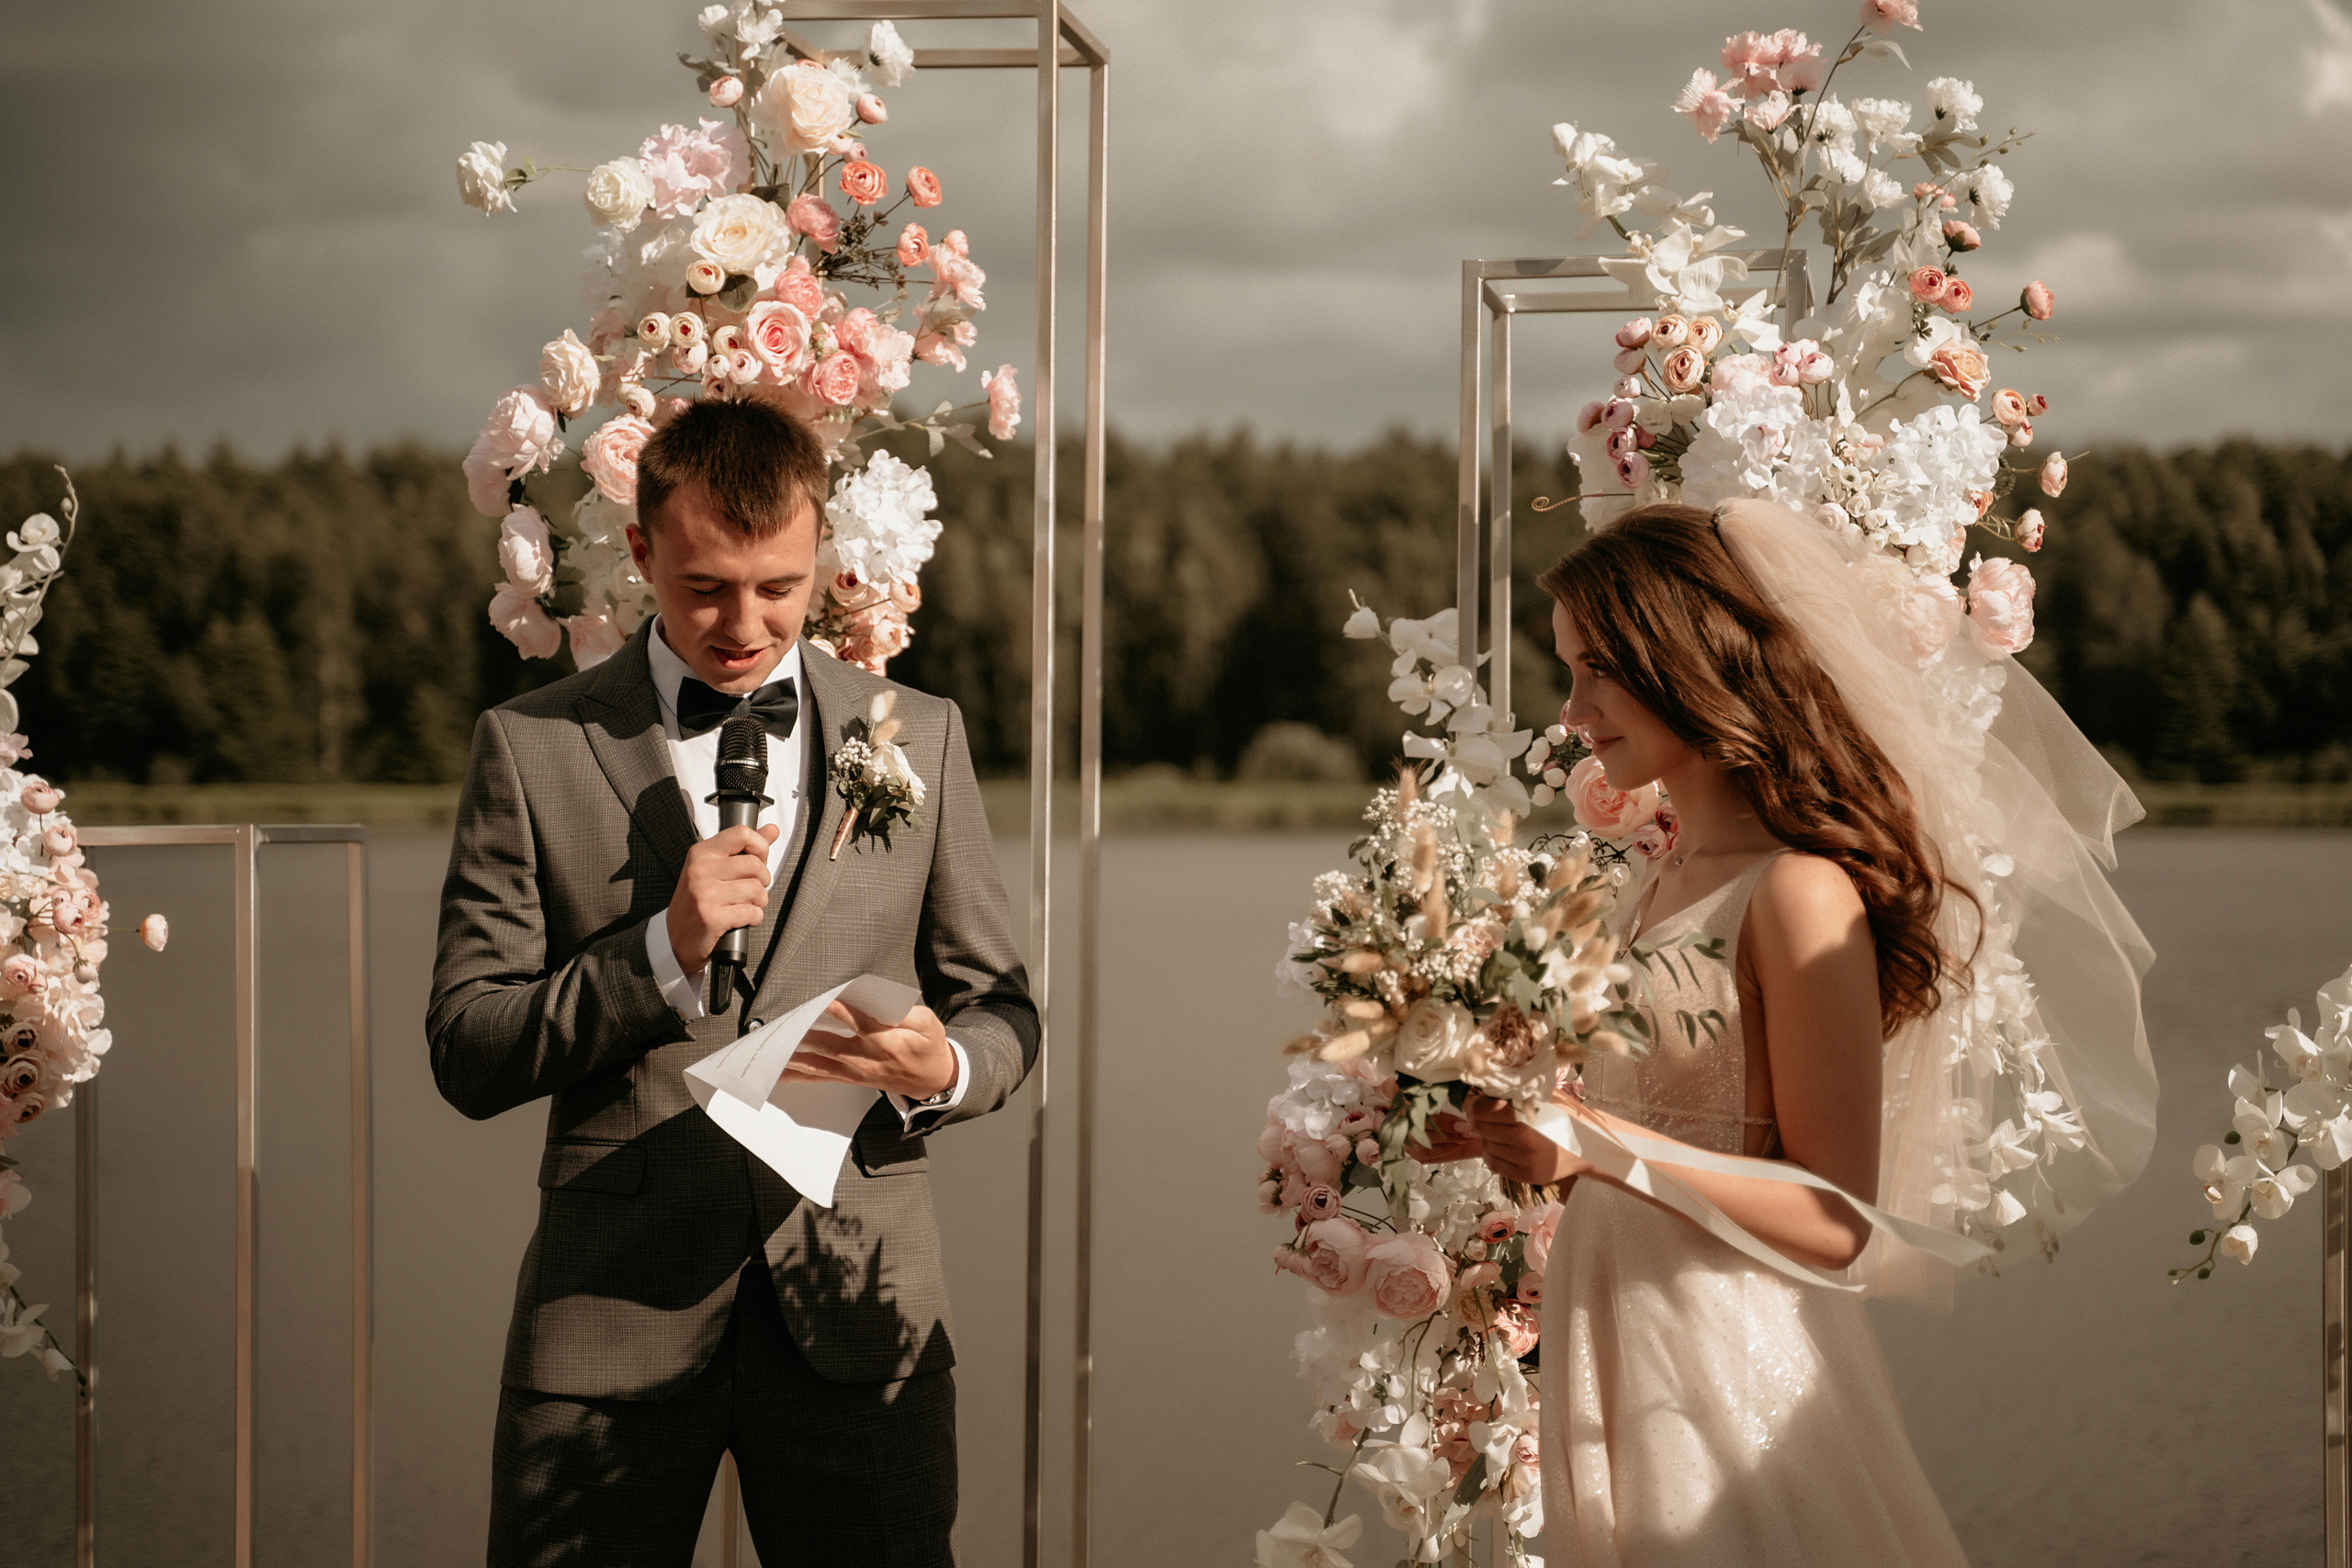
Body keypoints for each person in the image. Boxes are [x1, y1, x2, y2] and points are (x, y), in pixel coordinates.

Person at [427, 397, 1036, 1568]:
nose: (745, 626)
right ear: (644, 553)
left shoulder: (923, 734)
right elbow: (466, 1045)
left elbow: (1002, 1005)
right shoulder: (531, 746)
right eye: (705, 587)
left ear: (819, 559)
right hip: (606, 1325)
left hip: (860, 1320)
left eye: (780, 587)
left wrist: (944, 1068)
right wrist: (659, 954)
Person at [1423, 500, 2048, 1565]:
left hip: (1725, 1372)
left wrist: (1597, 1146)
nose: (1572, 709)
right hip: (1615, 1340)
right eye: (1567, 671)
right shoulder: (1650, 884)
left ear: (1686, 659)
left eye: (1595, 671)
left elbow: (1835, 1218)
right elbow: (1666, 1140)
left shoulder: (1796, 894)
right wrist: (1530, 1143)